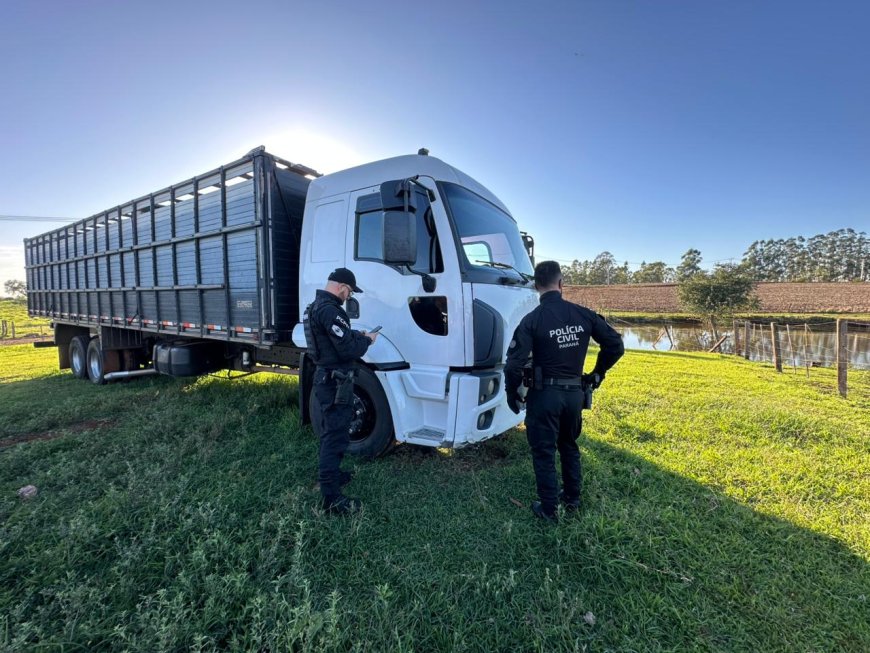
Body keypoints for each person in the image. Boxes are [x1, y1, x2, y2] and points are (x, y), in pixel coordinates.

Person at [504, 260, 624, 522]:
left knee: (543, 451)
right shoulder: (583, 314)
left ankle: (548, 509)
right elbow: (615, 345)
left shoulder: (532, 320)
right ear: (561, 284)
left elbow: (513, 364)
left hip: (544, 396)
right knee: (569, 445)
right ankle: (571, 498)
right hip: (573, 395)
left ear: (536, 287)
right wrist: (596, 374)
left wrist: (510, 394)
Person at [303, 267, 378, 515]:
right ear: (341, 287)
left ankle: (333, 476)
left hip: (327, 379)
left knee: (331, 433)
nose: (349, 296)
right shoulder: (330, 310)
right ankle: (331, 499)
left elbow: (337, 339)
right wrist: (366, 340)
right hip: (335, 382)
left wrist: (357, 334)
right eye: (349, 292)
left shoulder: (317, 307)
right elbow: (347, 350)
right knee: (334, 437)